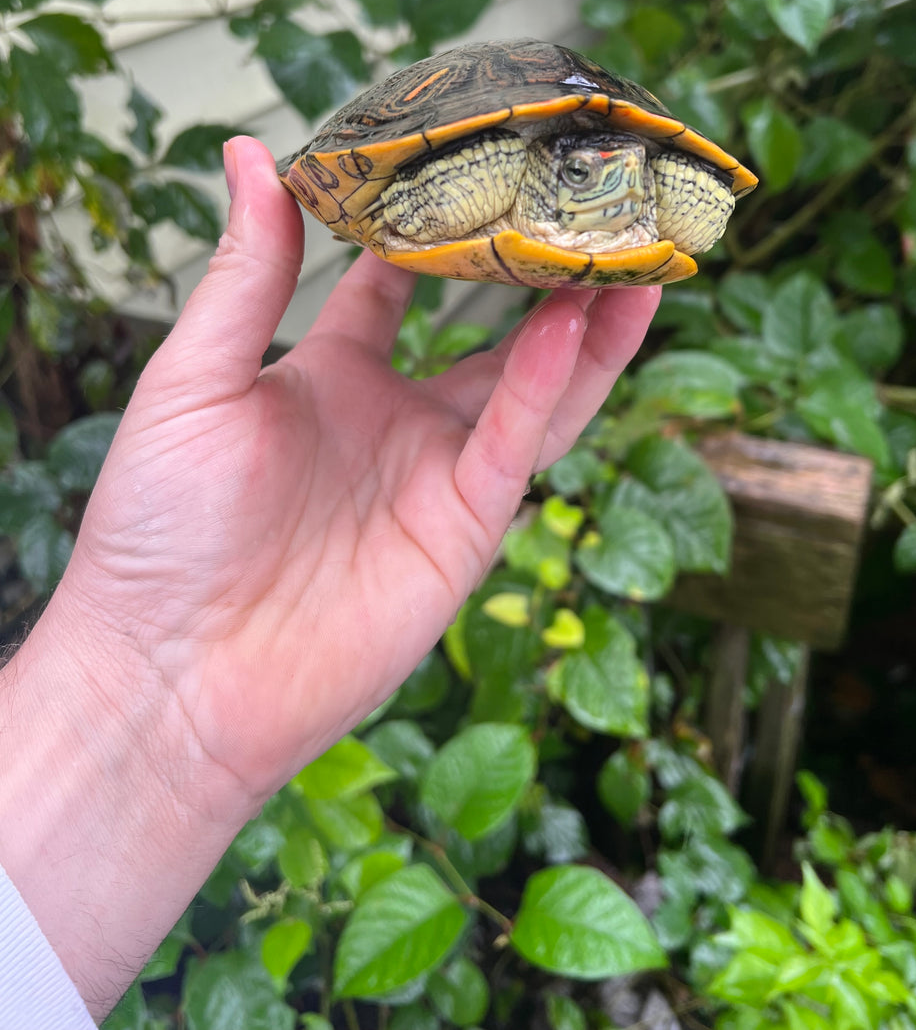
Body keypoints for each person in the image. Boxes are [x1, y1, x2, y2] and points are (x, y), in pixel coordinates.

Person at [0, 137, 660, 1024]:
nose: (609, 178)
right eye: (581, 167)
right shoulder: (496, 166)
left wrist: (144, 701)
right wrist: (137, 669)